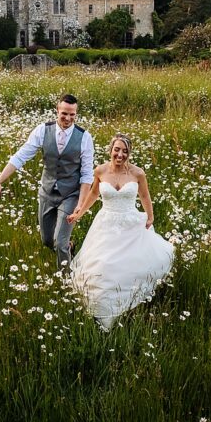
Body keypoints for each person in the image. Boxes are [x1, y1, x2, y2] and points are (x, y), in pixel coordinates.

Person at [65, 134, 174, 331]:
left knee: (128, 267)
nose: (120, 154)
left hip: (129, 224)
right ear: (111, 150)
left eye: (124, 151)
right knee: (102, 264)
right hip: (106, 223)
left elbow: (144, 195)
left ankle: (121, 307)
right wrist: (79, 214)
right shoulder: (100, 170)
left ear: (129, 153)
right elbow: (94, 194)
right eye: (117, 150)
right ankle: (101, 311)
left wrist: (150, 217)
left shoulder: (137, 173)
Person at [0, 94, 94, 273]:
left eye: (72, 115)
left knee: (59, 243)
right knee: (47, 240)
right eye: (64, 114)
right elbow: (21, 156)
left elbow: (86, 175)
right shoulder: (42, 130)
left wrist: (81, 206)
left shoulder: (84, 137)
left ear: (76, 114)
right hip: (46, 192)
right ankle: (69, 248)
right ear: (57, 111)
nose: (68, 118)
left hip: (70, 195)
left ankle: (67, 281)